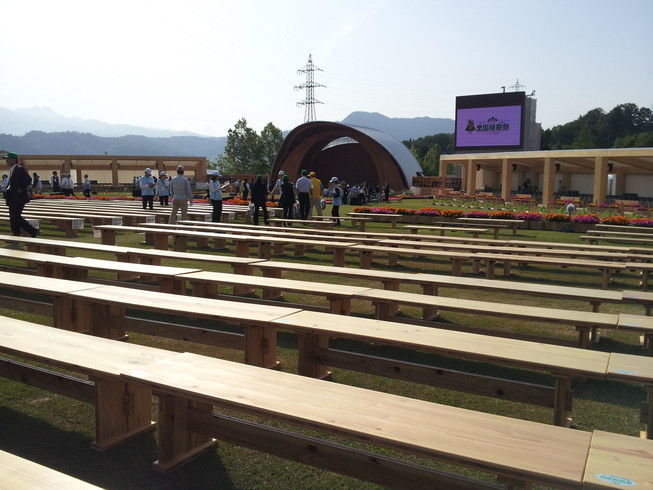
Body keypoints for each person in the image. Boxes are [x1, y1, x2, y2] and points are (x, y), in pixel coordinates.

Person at [3, 153, 38, 237]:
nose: (6, 160)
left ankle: (32, 230)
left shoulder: (19, 169)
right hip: (13, 197)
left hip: (19, 198)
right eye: (6, 159)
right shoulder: (12, 169)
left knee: (15, 216)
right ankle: (16, 233)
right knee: (13, 216)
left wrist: (21, 188)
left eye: (8, 159)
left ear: (14, 160)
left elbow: (28, 179)